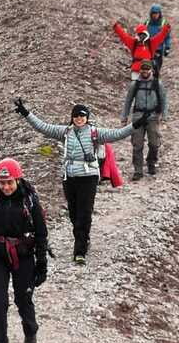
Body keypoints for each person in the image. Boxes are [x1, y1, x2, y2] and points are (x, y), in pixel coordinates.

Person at [13, 99, 149, 264]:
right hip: (69, 177)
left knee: (84, 214)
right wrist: (27, 113)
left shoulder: (95, 133)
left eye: (82, 116)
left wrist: (136, 125)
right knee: (74, 213)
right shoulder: (65, 132)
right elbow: (43, 127)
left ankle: (80, 252)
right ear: (72, 117)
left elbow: (116, 134)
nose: (79, 119)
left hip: (89, 177)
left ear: (87, 117)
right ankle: (83, 238)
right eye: (76, 116)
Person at [0, 158, 48, 343]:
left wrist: (41, 263)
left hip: (23, 256)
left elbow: (41, 234)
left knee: (23, 299)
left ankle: (30, 331)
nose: (6, 187)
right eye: (2, 182)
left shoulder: (30, 202)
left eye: (9, 182)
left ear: (18, 179)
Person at [121, 60, 168, 181]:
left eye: (147, 69)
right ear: (140, 70)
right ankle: (138, 170)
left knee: (154, 143)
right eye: (143, 69)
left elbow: (164, 100)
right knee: (137, 145)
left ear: (151, 70)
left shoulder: (158, 84)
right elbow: (128, 101)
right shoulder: (135, 85)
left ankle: (151, 162)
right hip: (138, 117)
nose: (145, 72)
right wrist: (124, 117)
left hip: (153, 117)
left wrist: (164, 115)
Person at [144, 4, 172, 77]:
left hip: (159, 49)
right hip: (148, 49)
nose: (155, 15)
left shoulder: (164, 23)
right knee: (146, 67)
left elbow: (167, 37)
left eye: (156, 13)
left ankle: (156, 83)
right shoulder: (147, 23)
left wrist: (167, 47)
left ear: (159, 14)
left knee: (157, 68)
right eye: (153, 13)